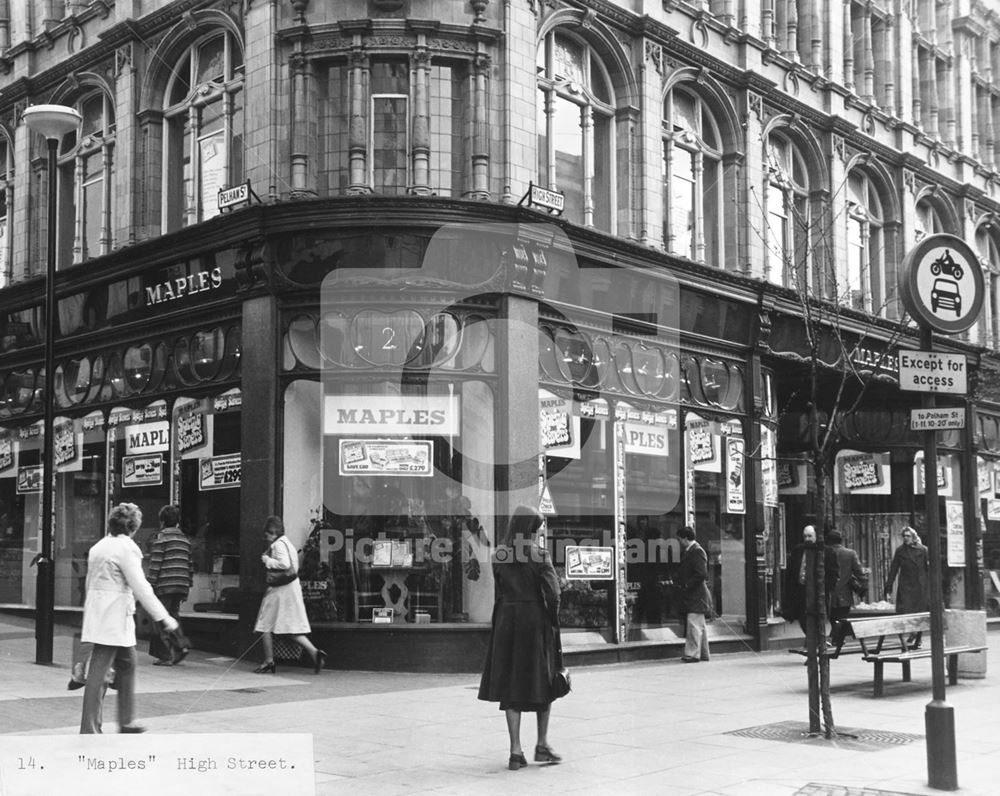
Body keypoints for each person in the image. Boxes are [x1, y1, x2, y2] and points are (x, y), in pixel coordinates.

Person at [79, 502, 179, 734]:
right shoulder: (128, 548)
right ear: (134, 527)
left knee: (127, 664)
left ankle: (125, 721)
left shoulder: (99, 546)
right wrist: (164, 617)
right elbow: (141, 587)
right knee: (99, 672)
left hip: (102, 614)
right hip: (115, 617)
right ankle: (91, 729)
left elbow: (90, 584)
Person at [478, 505, 562, 770]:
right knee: (543, 680)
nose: (537, 534)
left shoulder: (498, 556)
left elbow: (500, 589)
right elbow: (554, 593)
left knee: (510, 682)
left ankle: (515, 752)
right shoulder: (540, 555)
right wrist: (553, 618)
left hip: (506, 620)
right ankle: (542, 744)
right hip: (534, 620)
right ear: (528, 529)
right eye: (535, 529)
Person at [253, 515, 326, 674]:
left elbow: (284, 564)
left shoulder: (278, 545)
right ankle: (315, 652)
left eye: (266, 534)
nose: (266, 538)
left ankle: (268, 661)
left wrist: (267, 560)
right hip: (291, 589)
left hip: (280, 591)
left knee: (264, 624)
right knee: (289, 628)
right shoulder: (289, 544)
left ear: (272, 532)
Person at [147, 504, 193, 665]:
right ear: (177, 522)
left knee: (161, 618)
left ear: (162, 522)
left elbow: (156, 564)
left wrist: (150, 584)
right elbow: (190, 564)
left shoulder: (161, 539)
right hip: (181, 584)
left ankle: (167, 654)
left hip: (165, 584)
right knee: (173, 616)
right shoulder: (185, 540)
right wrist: (188, 585)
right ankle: (181, 646)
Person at [884, 525, 929, 647]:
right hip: (906, 586)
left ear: (913, 537)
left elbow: (928, 569)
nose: (905, 538)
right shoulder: (900, 551)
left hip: (920, 586)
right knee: (906, 611)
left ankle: (918, 638)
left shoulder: (923, 550)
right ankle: (912, 632)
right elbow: (894, 569)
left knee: (920, 613)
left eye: (908, 536)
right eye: (904, 536)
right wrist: (889, 586)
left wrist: (930, 587)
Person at [676, 525, 712, 662]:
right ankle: (702, 653)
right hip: (696, 594)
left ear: (685, 538)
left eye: (679, 539)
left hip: (696, 595)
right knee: (699, 625)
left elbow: (701, 573)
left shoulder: (696, 551)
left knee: (693, 625)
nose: (679, 542)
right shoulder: (692, 550)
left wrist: (687, 585)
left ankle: (692, 654)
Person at [824, 529, 865, 644]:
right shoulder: (850, 553)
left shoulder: (824, 553)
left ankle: (837, 638)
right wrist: (863, 586)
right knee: (842, 616)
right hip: (845, 592)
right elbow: (859, 572)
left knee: (832, 616)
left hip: (829, 591)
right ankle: (837, 638)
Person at [781, 525, 818, 635]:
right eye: (805, 536)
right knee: (803, 618)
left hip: (815, 591)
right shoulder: (798, 550)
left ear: (816, 536)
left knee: (813, 617)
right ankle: (814, 640)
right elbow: (791, 571)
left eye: (810, 536)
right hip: (801, 589)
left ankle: (816, 641)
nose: (807, 539)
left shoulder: (823, 551)